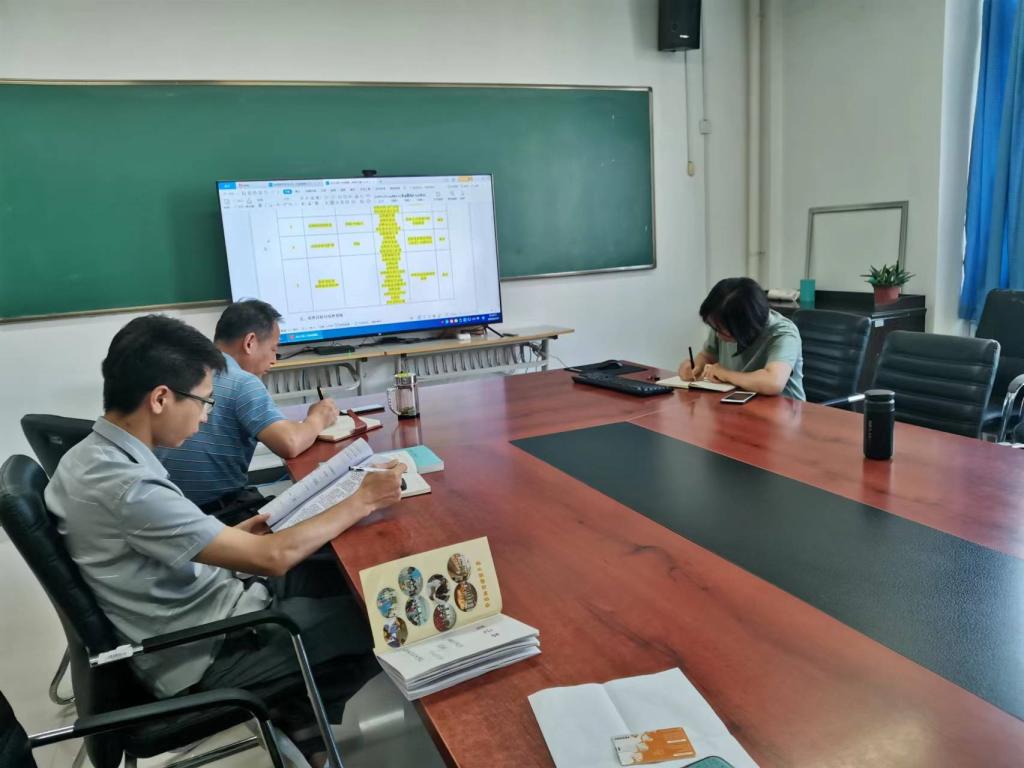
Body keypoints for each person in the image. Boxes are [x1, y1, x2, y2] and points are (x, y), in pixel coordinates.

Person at [45, 314, 406, 765]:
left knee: (339, 573)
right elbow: (273, 558)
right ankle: (296, 706)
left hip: (205, 607)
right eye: (203, 402)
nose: (205, 415)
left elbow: (159, 544)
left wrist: (237, 531)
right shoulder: (128, 487)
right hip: (209, 651)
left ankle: (301, 711)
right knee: (389, 616)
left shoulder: (89, 457)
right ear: (160, 398)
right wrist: (363, 499)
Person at [157, 299, 339, 519]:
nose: (274, 360)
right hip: (217, 513)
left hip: (164, 508)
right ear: (250, 342)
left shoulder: (181, 368)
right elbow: (290, 443)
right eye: (273, 349)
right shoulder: (241, 381)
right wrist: (318, 418)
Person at [678, 277, 805, 399]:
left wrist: (726, 374)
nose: (717, 335)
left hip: (784, 408)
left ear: (744, 325)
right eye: (715, 328)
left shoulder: (783, 333)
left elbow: (773, 382)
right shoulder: (723, 323)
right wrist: (696, 366)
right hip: (738, 402)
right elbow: (707, 356)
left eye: (721, 330)